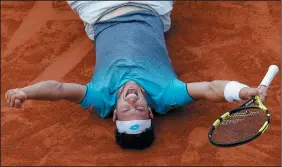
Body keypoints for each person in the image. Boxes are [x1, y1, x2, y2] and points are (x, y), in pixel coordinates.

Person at [5, 1, 268, 149]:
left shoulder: (100, 98)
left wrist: (25, 92)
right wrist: (244, 91)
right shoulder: (166, 95)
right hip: (149, 5)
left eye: (126, 110)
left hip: (98, 10)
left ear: (115, 114)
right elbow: (211, 89)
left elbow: (58, 90)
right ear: (151, 113)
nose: (132, 102)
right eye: (139, 110)